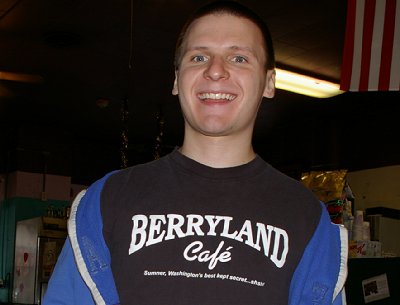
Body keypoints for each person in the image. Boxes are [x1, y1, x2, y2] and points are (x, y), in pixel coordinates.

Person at [43, 1, 348, 304]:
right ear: (177, 80)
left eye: (239, 58)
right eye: (199, 56)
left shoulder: (308, 218)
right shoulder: (107, 201)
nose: (215, 71)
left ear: (269, 83)